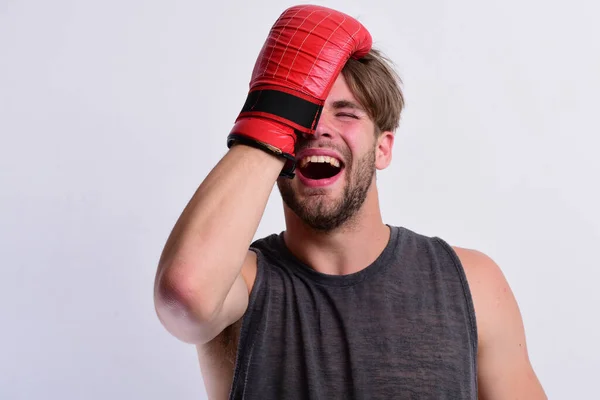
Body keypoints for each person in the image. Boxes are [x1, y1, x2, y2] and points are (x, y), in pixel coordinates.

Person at [153, 4, 547, 399]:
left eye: (346, 114)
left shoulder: (472, 283)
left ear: (383, 148)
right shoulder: (240, 285)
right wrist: (273, 118)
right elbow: (185, 294)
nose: (317, 129)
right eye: (302, 116)